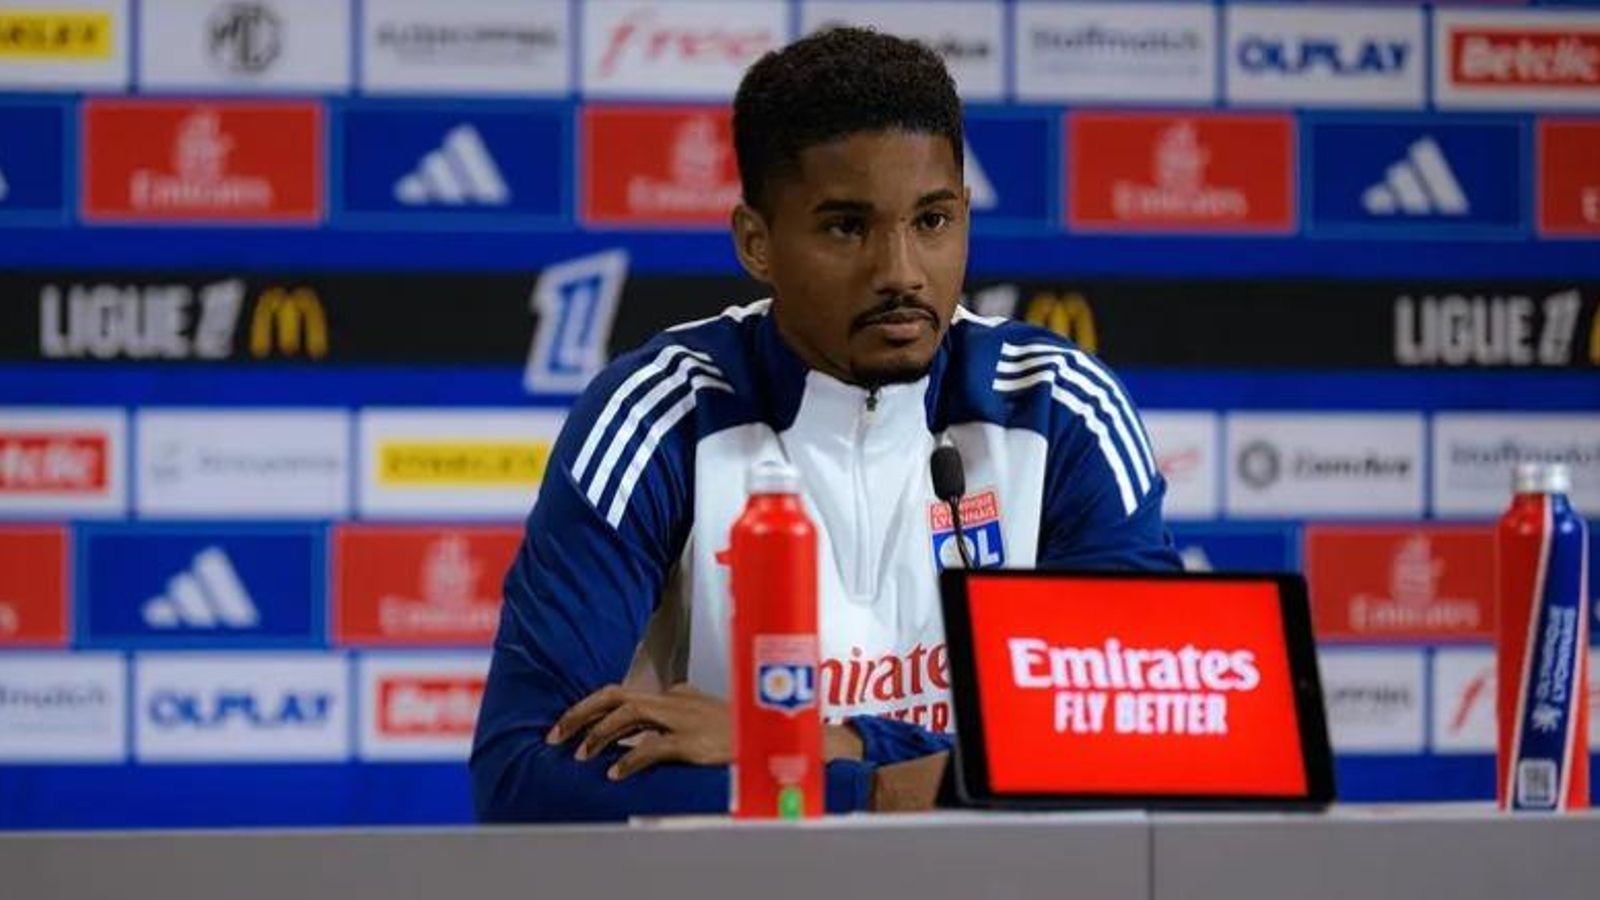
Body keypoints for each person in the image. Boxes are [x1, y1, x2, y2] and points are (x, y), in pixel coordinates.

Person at [471, 27, 1180, 823]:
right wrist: (887, 788)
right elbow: (522, 777)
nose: (901, 271)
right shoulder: (659, 414)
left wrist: (824, 748)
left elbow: (1146, 737)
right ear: (757, 243)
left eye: (933, 221)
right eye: (847, 227)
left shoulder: (1058, 405)